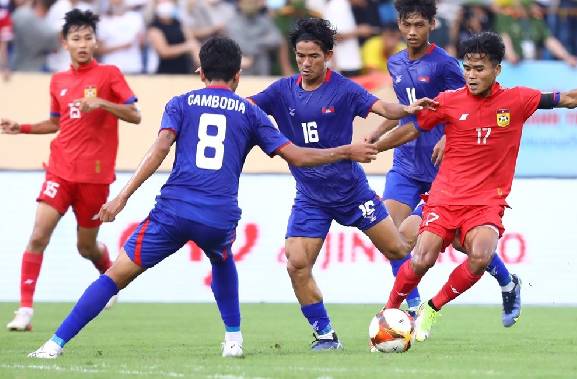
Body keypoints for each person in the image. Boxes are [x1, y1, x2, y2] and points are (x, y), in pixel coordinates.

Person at [25, 36, 380, 359]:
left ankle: (53, 345)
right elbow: (299, 156)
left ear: (200, 72)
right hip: (218, 216)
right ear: (237, 75)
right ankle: (233, 339)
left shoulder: (180, 103)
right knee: (222, 257)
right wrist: (346, 151)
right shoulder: (251, 112)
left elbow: (159, 149)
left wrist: (121, 197)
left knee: (114, 276)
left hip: (173, 211)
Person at [377, 31, 577, 342]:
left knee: (480, 256)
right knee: (421, 258)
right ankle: (388, 312)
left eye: (479, 68)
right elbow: (411, 129)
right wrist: (375, 147)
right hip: (444, 196)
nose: (471, 75)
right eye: (467, 68)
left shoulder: (518, 99)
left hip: (485, 201)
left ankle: (431, 309)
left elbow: (570, 99)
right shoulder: (449, 101)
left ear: (497, 69)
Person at [248, 17, 434, 351]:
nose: (306, 63)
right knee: (296, 263)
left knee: (397, 248)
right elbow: (246, 107)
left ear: (328, 56)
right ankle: (325, 335)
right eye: (301, 56)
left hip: (352, 192)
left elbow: (380, 106)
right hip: (311, 197)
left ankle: (415, 305)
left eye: (313, 57)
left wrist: (405, 108)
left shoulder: (343, 89)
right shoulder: (280, 91)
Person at [367, 0, 520, 327]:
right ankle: (412, 305)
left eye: (419, 24)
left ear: (432, 24)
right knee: (389, 235)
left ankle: (506, 280)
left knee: (457, 242)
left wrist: (448, 137)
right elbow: (405, 108)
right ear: (398, 24)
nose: (412, 31)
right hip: (406, 164)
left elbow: (468, 104)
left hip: (443, 171)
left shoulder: (445, 65)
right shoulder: (395, 63)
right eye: (406, 24)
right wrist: (375, 138)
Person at [2, 9, 141, 332]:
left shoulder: (109, 74)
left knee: (86, 247)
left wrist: (103, 104)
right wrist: (20, 127)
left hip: (94, 177)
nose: (82, 44)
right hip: (60, 171)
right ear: (64, 43)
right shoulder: (58, 80)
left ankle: (106, 272)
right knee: (38, 235)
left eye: (88, 38)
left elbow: (135, 115)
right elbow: (55, 122)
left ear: (95, 42)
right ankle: (24, 311)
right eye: (76, 38)